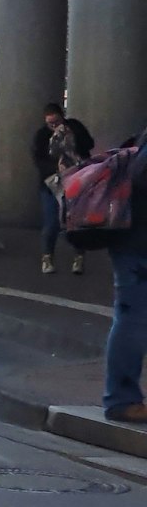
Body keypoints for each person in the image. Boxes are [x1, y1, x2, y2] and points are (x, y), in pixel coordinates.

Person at [96, 159, 147, 425]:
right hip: (138, 247)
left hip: (133, 242)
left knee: (133, 319)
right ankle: (121, 400)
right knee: (133, 320)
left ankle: (122, 398)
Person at [33, 102, 94, 275]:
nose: (53, 126)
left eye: (56, 122)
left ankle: (79, 258)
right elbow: (38, 159)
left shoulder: (74, 127)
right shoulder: (42, 135)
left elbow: (89, 144)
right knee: (52, 222)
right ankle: (47, 257)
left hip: (76, 179)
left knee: (76, 221)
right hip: (52, 183)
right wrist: (56, 167)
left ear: (63, 117)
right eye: (50, 123)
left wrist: (72, 136)